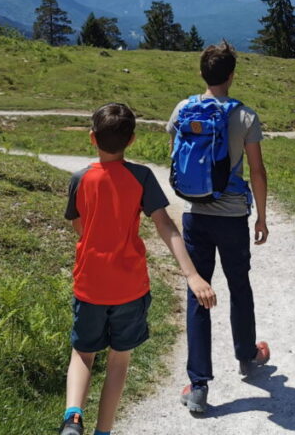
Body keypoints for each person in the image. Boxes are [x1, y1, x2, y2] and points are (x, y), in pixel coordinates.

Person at [59, 103, 217, 435]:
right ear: (131, 141)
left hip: (90, 284)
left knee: (83, 354)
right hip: (130, 287)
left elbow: (78, 225)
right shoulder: (141, 176)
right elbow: (166, 227)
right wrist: (191, 274)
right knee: (119, 362)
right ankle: (103, 431)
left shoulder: (80, 178)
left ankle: (73, 418)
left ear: (92, 138)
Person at [166, 40, 271, 415]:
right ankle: (246, 356)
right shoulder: (244, 117)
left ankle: (198, 385)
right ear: (231, 75)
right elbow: (256, 171)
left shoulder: (183, 109)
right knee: (239, 284)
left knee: (199, 292)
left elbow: (177, 153)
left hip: (195, 214)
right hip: (231, 218)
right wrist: (261, 215)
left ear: (202, 73)